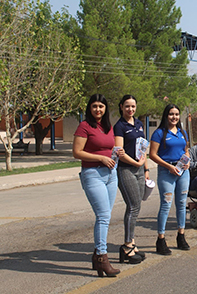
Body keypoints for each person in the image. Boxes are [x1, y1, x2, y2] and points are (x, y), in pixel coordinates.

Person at [73, 94, 123, 277]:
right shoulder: (84, 126)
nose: (98, 110)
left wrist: (116, 152)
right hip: (92, 174)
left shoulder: (108, 127)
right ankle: (102, 257)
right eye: (94, 106)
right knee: (103, 216)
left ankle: (96, 255)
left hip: (111, 174)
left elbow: (109, 148)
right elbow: (77, 152)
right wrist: (101, 158)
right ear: (89, 108)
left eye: (101, 106)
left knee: (105, 216)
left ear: (105, 108)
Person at [149, 104, 190, 256]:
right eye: (171, 114)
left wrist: (188, 161)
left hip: (183, 172)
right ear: (166, 116)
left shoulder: (183, 132)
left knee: (181, 203)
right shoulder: (159, 133)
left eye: (177, 114)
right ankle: (161, 239)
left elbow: (186, 150)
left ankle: (181, 235)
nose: (174, 117)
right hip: (167, 171)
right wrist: (169, 167)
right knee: (166, 204)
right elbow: (153, 155)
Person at [113, 95, 149, 264]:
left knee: (137, 205)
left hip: (140, 169)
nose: (130, 109)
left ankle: (132, 244)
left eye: (133, 106)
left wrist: (145, 167)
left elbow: (143, 146)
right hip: (126, 169)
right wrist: (135, 162)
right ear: (121, 107)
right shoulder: (119, 126)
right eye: (127, 106)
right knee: (133, 206)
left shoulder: (139, 124)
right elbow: (119, 151)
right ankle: (127, 246)